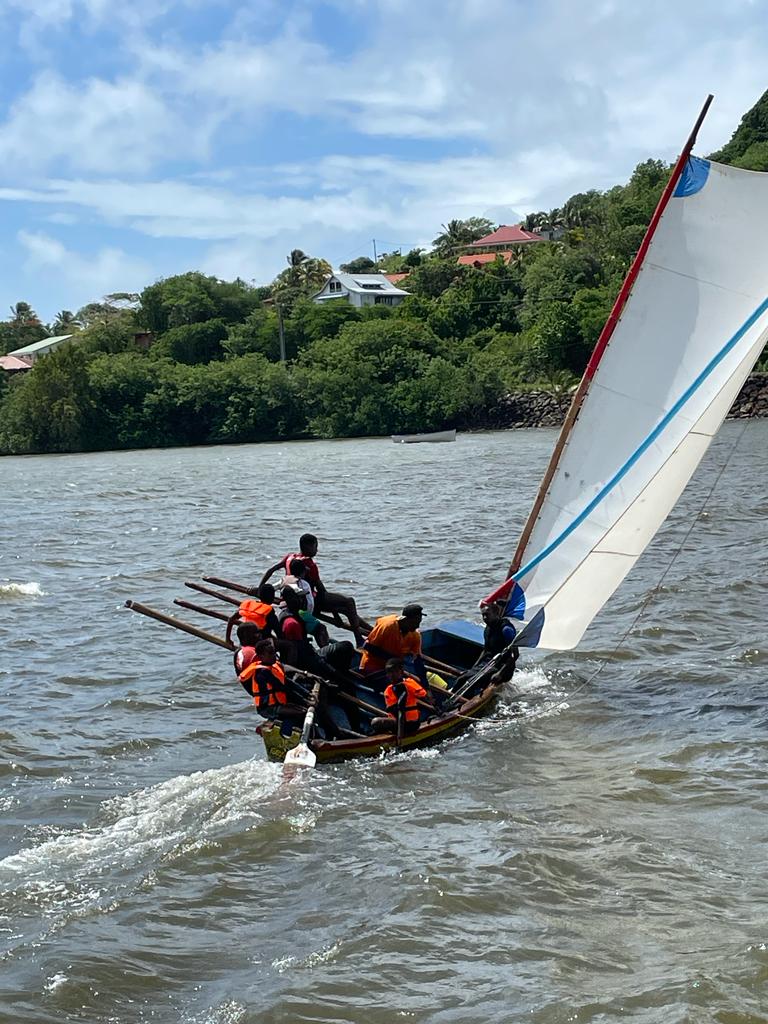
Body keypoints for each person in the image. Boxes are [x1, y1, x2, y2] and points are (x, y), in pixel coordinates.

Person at [260, 533, 366, 646]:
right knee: (349, 601)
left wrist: (260, 587)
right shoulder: (309, 563)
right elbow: (321, 590)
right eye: (315, 546)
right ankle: (359, 638)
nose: (317, 550)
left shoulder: (289, 558)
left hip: (292, 600)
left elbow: (271, 570)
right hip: (309, 601)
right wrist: (335, 614)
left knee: (346, 610)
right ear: (308, 547)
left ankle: (371, 630)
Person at [360, 603, 427, 687]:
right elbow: (368, 647)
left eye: (419, 622)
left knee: (417, 684)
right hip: (373, 666)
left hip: (395, 670)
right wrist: (394, 660)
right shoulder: (387, 626)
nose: (417, 626)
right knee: (400, 687)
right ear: (405, 619)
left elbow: (418, 661)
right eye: (415, 622)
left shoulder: (415, 635)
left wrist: (425, 685)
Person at [237, 638, 305, 720]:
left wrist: (307, 694)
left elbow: (289, 682)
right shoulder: (262, 673)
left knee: (301, 707)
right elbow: (283, 687)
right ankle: (286, 730)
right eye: (270, 653)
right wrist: (305, 700)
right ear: (261, 657)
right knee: (302, 712)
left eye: (274, 653)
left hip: (277, 703)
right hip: (267, 708)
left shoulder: (272, 667)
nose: (274, 656)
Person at [372, 658, 433, 737]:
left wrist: (399, 738)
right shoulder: (388, 689)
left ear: (401, 672)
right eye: (389, 672)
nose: (391, 675)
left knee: (375, 722)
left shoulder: (408, 684)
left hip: (410, 724)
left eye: (394, 671)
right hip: (398, 723)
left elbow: (427, 698)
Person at [479, 601, 519, 684]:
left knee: (479, 680)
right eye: (483, 615)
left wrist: (500, 674)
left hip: (504, 669)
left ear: (496, 613)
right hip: (490, 664)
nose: (485, 618)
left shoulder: (506, 630)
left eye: (487, 614)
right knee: (463, 679)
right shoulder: (488, 629)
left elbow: (515, 655)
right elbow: (485, 651)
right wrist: (473, 668)